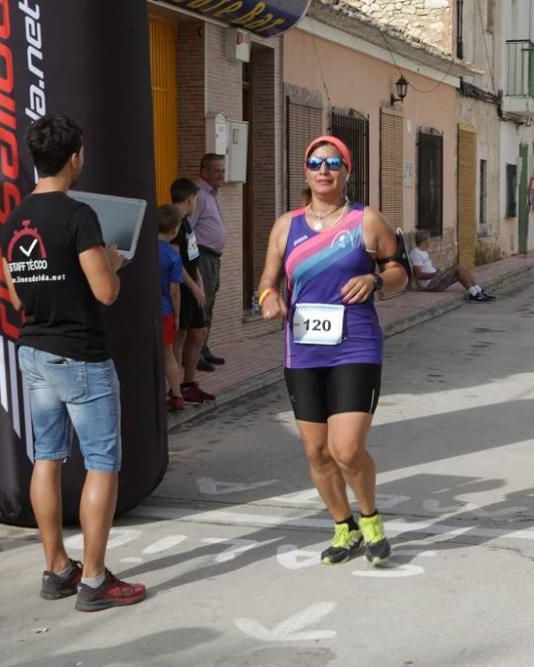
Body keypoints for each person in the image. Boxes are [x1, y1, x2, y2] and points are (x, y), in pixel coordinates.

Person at [0, 114, 146, 611]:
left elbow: (18, 297)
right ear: (74, 157)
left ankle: (58, 568)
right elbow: (105, 292)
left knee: (48, 457)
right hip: (80, 355)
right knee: (102, 464)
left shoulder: (13, 220)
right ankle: (96, 580)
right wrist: (115, 263)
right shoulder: (79, 216)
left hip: (34, 351)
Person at [257, 135, 408, 566]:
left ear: (347, 171)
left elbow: (400, 271)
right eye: (316, 162)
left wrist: (376, 280)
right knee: (316, 452)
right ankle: (345, 528)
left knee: (345, 449)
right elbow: (267, 281)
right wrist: (269, 299)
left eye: (333, 163)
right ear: (305, 171)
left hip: (355, 346)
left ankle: (371, 519)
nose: (324, 170)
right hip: (303, 350)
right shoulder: (286, 226)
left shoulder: (366, 221)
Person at [170, 178, 215, 404]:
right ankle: (176, 387)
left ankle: (189, 382)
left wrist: (200, 282)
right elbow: (175, 261)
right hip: (183, 288)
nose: (196, 203)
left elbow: (192, 257)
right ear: (190, 199)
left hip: (194, 285)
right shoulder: (174, 222)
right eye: (196, 199)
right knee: (180, 336)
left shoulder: (187, 222)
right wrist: (192, 285)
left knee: (199, 332)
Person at [189, 154, 228, 371]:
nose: (221, 175)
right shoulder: (199, 194)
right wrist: (193, 263)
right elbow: (188, 229)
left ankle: (204, 348)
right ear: (204, 171)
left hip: (213, 257)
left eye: (222, 171)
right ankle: (195, 355)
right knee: (202, 305)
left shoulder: (211, 194)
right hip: (202, 257)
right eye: (216, 171)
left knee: (210, 304)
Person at [409, 229, 496, 301]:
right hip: (429, 284)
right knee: (459, 267)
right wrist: (435, 274)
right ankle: (474, 294)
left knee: (462, 270)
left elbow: (427, 267)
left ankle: (478, 291)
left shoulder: (423, 252)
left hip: (434, 279)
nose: (430, 241)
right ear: (424, 241)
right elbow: (418, 275)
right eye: (429, 239)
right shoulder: (416, 253)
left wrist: (437, 271)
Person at [157, 204, 185, 412]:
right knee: (167, 354)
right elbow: (174, 290)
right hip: (165, 310)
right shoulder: (173, 255)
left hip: (145, 312)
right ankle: (176, 394)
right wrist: (177, 315)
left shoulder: (144, 251)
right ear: (175, 230)